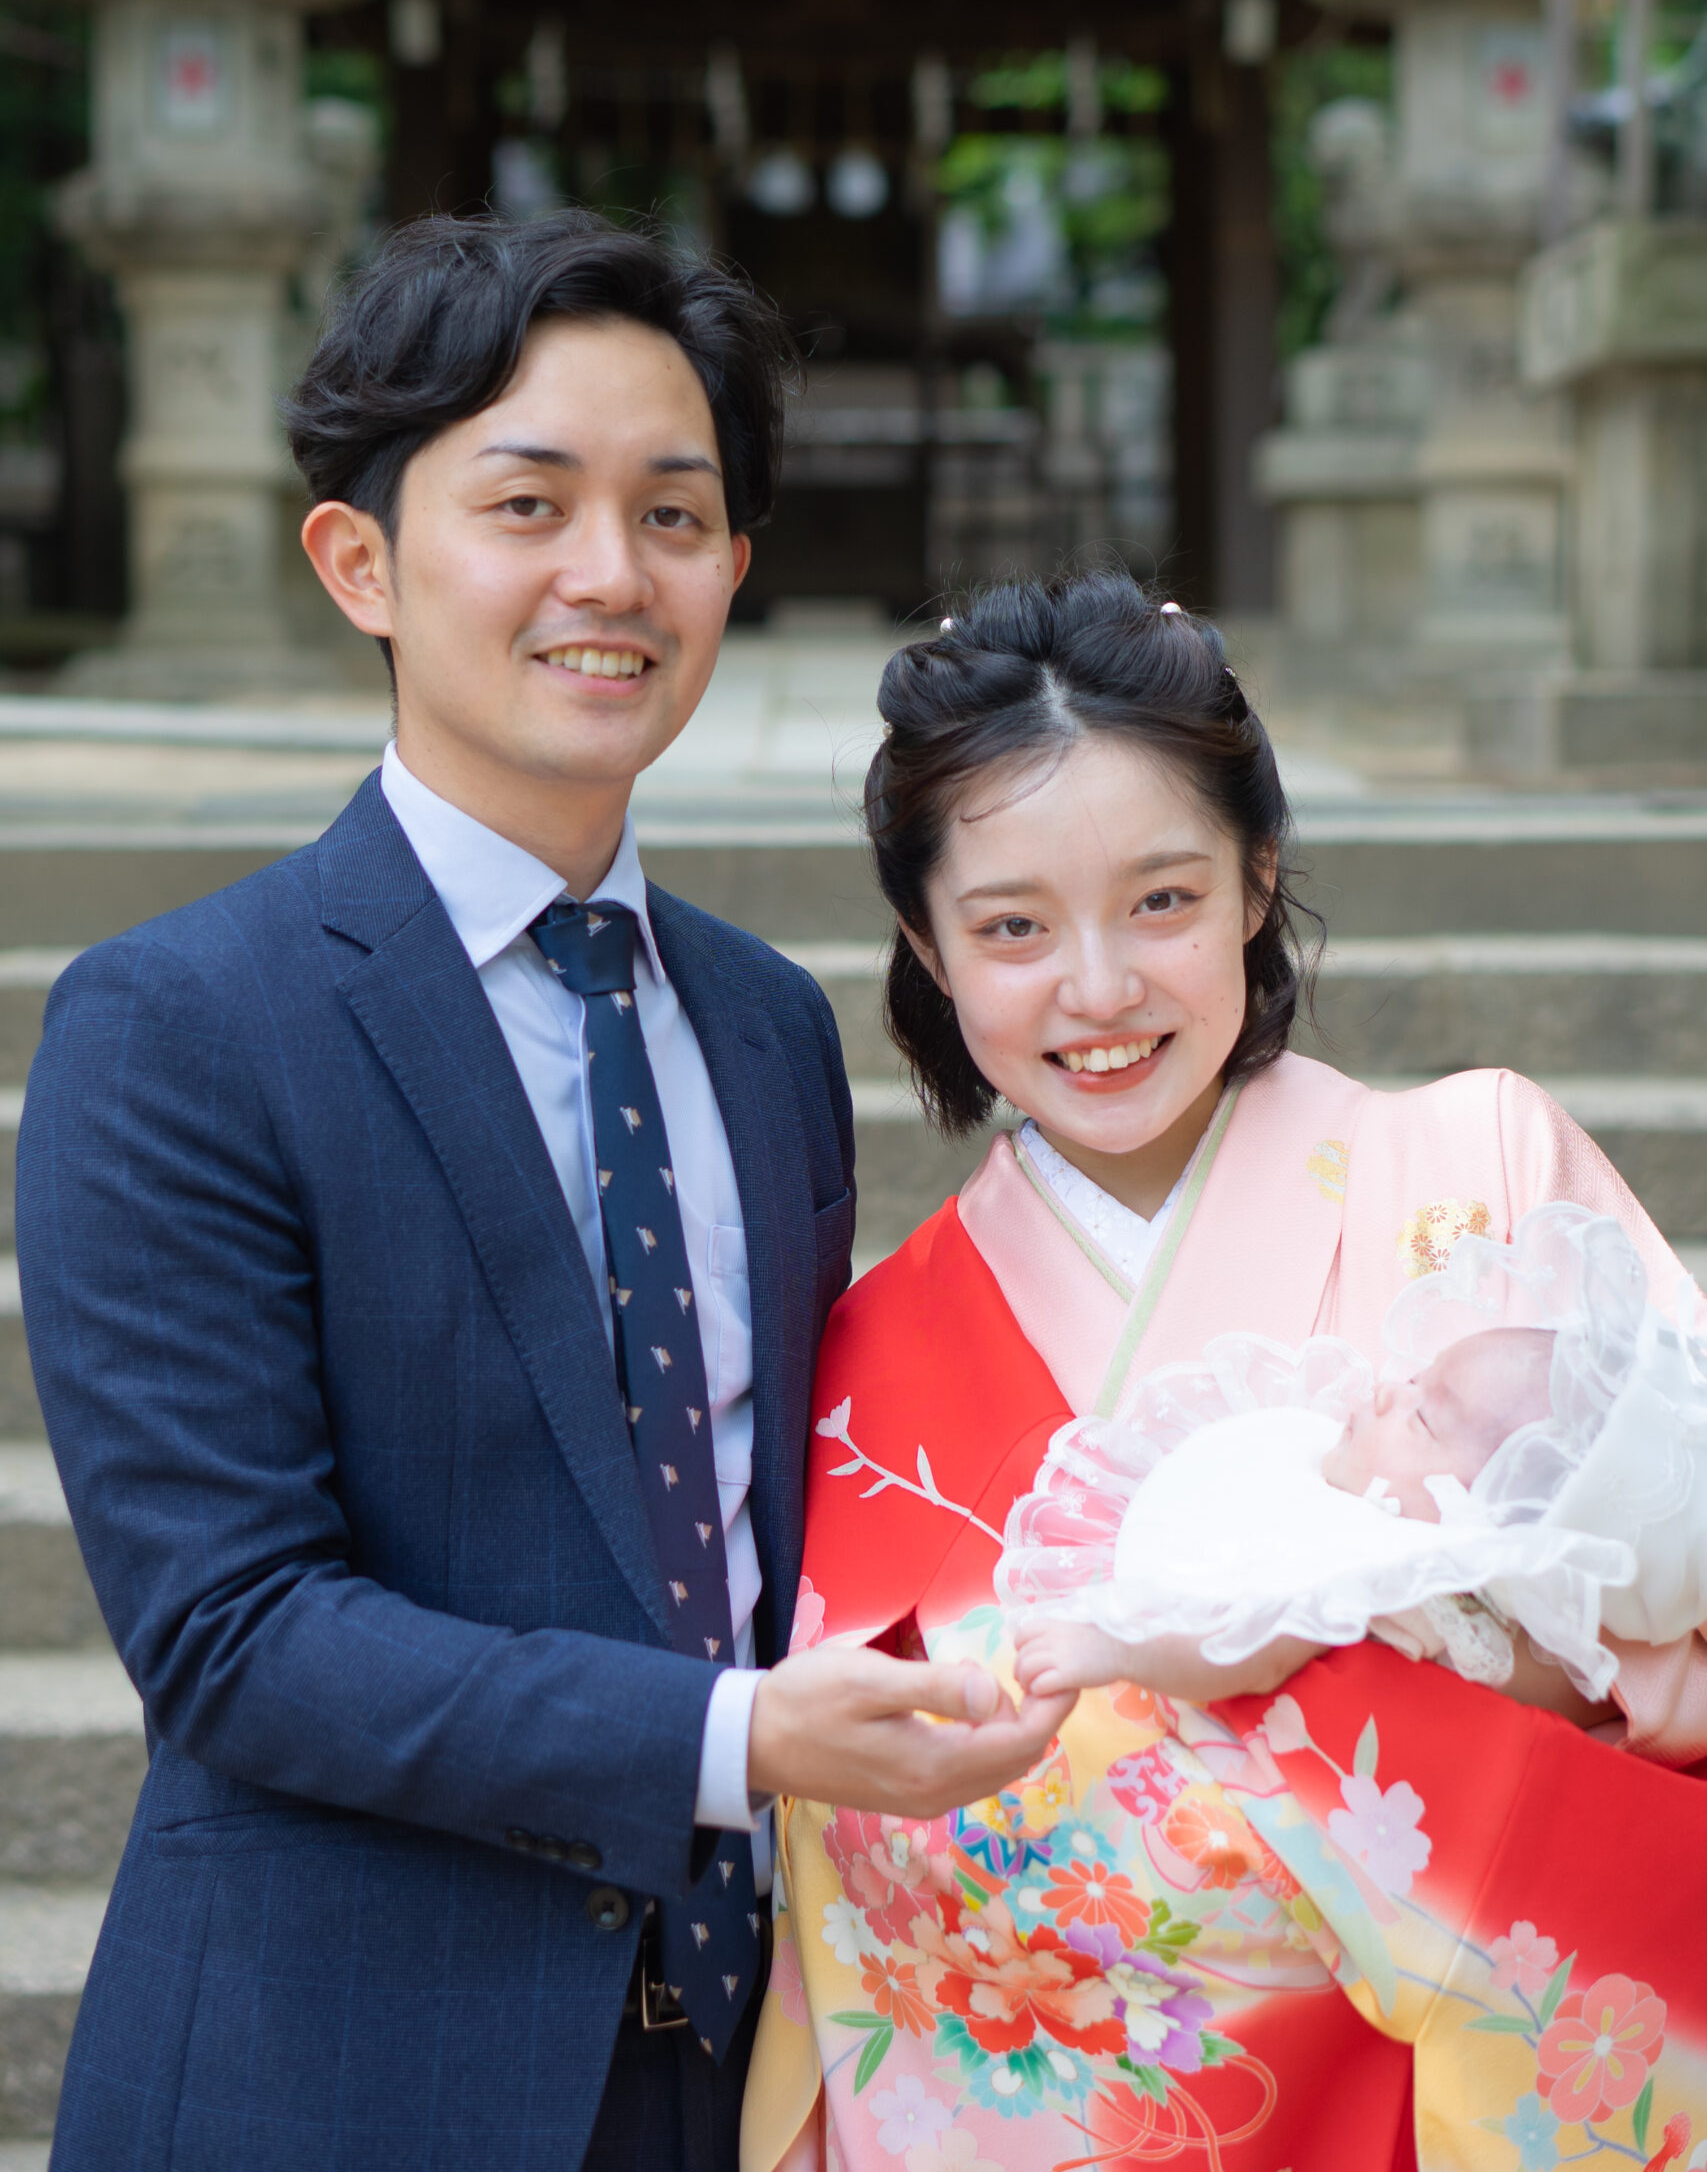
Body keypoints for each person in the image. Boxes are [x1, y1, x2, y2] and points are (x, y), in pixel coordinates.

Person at [15, 213, 1060, 2172]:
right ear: (362, 563)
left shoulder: (758, 1024)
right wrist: (735, 1740)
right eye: (526, 502)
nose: (610, 573)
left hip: (740, 2062)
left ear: (735, 569)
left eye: (674, 515)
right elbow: (235, 1628)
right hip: (336, 2078)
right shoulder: (178, 1023)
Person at [742, 570, 1707, 2172]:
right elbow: (850, 1882)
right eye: (1010, 928)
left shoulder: (1478, 1170)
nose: (1099, 988)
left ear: (1257, 881)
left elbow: (1677, 1594)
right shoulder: (864, 1354)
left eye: (1162, 901)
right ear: (925, 941)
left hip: (1435, 2102)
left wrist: (1352, 1691)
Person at [1002, 1200, 1707, 1718]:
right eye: (1414, 1380)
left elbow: (1250, 1646)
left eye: (1421, 1416)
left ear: (1494, 1519)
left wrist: (1115, 1649)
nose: (1382, 1392)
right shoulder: (1363, 1504)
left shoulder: (1417, 1583)